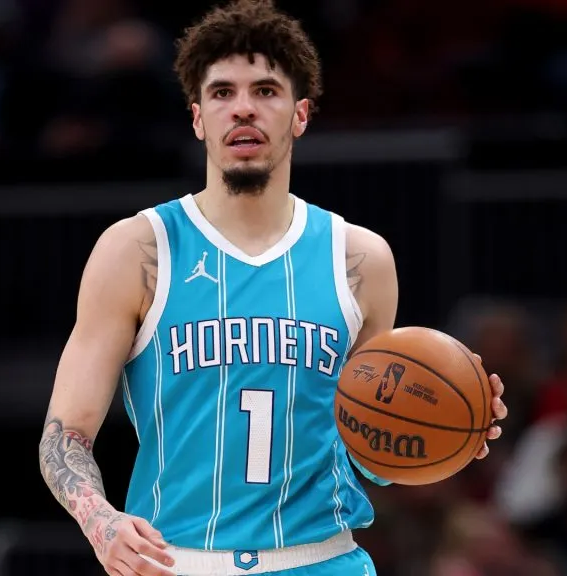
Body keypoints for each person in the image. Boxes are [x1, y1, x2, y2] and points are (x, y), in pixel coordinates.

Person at [37, 1, 509, 574]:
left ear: (300, 114)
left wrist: (448, 431)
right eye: (222, 93)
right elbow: (65, 434)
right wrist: (99, 519)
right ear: (197, 118)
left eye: (265, 91)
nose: (243, 109)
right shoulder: (137, 250)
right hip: (175, 563)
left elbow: (368, 444)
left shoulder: (360, 258)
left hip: (322, 559)